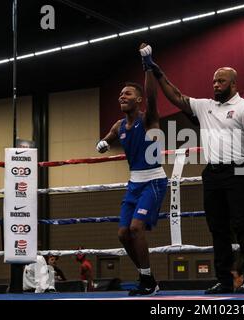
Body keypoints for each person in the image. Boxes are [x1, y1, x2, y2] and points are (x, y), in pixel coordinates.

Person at [139, 43, 244, 294]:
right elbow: (176, 96)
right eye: (214, 81)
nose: (215, 85)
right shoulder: (205, 106)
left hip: (238, 169)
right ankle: (224, 279)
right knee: (217, 227)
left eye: (221, 81)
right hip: (211, 172)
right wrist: (156, 70)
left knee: (242, 225)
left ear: (233, 84)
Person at [96, 50, 168, 296]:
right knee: (122, 234)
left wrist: (147, 66)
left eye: (127, 93)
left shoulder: (148, 119)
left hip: (154, 181)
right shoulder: (119, 125)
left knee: (136, 228)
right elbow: (111, 135)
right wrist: (104, 142)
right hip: (134, 183)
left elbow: (151, 95)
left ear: (138, 100)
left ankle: (147, 281)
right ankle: (147, 278)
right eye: (120, 94)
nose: (121, 96)